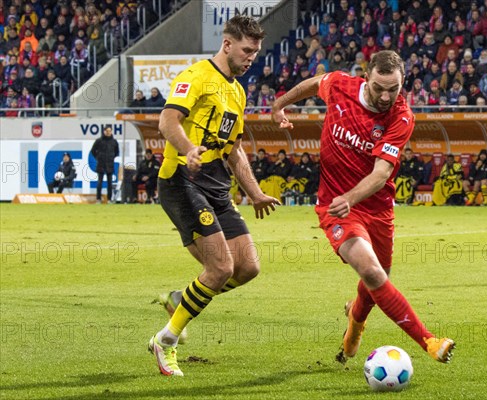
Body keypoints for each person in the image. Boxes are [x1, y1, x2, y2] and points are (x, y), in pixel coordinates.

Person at [271, 50, 455, 366]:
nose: (386, 96)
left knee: (377, 280)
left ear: (403, 83)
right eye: (379, 87)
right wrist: (279, 104)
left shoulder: (401, 118)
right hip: (336, 206)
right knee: (370, 271)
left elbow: (381, 173)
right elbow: (315, 83)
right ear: (366, 76)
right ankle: (429, 341)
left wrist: (351, 198)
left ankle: (354, 325)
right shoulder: (341, 85)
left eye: (393, 89)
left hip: (378, 208)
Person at [147, 15, 280, 377]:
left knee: (248, 267)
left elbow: (234, 148)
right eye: (246, 49)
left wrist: (254, 193)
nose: (252, 57)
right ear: (227, 45)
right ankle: (166, 341)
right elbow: (167, 122)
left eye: (256, 51)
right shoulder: (195, 77)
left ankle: (179, 300)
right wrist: (189, 148)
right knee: (220, 267)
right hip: (181, 180)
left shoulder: (237, 91)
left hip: (217, 187)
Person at [91, 126, 119, 203]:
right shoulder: (99, 141)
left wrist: (111, 157)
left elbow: (116, 152)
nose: (108, 132)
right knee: (99, 182)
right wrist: (98, 157)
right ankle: (98, 199)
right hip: (101, 164)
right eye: (107, 131)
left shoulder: (114, 142)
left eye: (110, 131)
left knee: (109, 183)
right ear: (104, 131)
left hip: (110, 164)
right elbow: (93, 151)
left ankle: (109, 199)